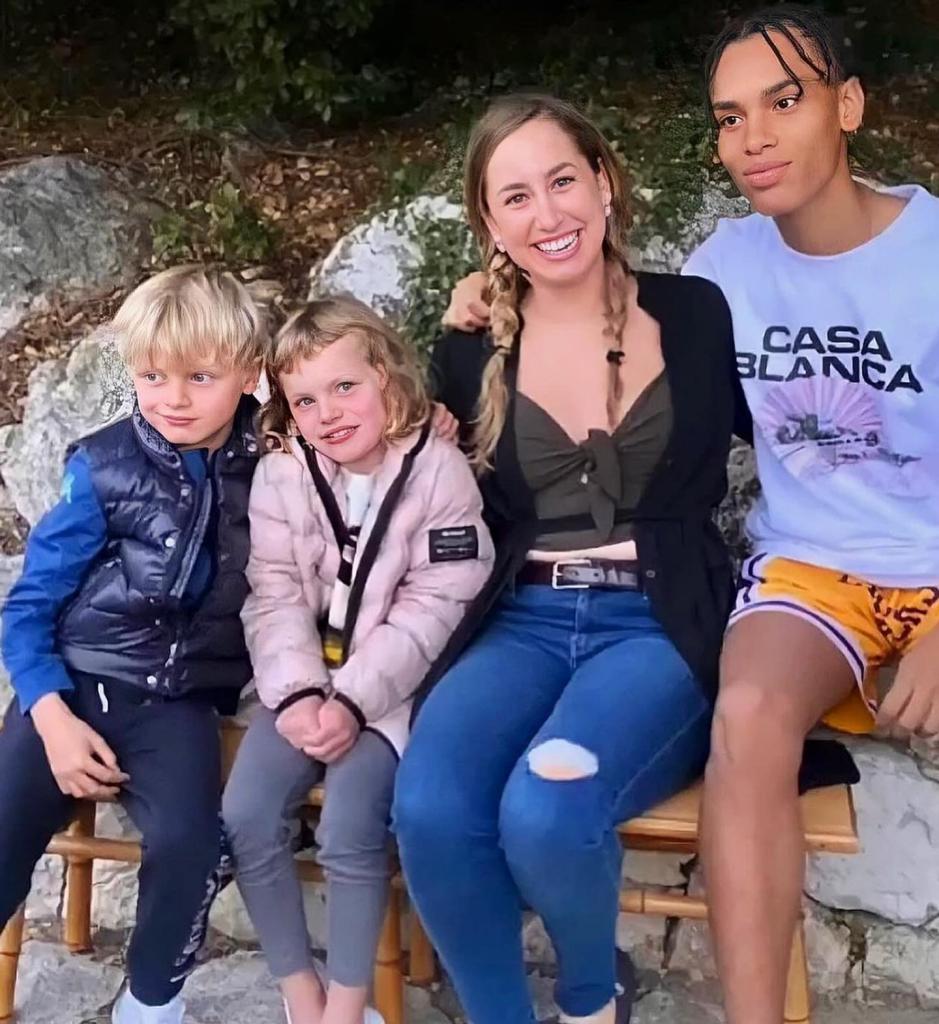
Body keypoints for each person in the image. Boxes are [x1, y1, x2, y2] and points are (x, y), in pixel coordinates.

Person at [441, 8, 939, 1022]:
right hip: (813, 575)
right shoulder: (721, 275)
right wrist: (492, 292)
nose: (752, 136)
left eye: (783, 102)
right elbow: (594, 304)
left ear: (847, 106)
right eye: (727, 116)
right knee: (749, 714)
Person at [392, 93, 749, 1024]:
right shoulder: (470, 351)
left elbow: (812, 431)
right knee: (428, 808)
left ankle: (593, 997)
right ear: (487, 223)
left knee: (545, 812)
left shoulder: (696, 313)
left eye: (562, 180)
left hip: (655, 621)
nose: (547, 214)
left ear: (604, 180)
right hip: (523, 619)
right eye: (515, 197)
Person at [0, 266, 267, 1024]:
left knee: (191, 841)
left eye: (198, 376)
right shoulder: (106, 465)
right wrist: (50, 715)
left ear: (250, 375)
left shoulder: (277, 460)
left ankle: (152, 1004)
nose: (172, 397)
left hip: (175, 702)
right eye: (151, 375)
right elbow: (30, 604)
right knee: (3, 821)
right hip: (76, 683)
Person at [221, 296, 493, 1024]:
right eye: (305, 399)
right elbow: (271, 591)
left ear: (388, 378)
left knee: (348, 826)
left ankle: (348, 1007)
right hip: (299, 687)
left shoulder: (437, 470)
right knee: (246, 814)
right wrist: (301, 693)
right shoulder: (284, 475)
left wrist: (354, 702)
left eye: (345, 387)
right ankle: (300, 997)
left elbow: (437, 604)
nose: (329, 412)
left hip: (393, 695)